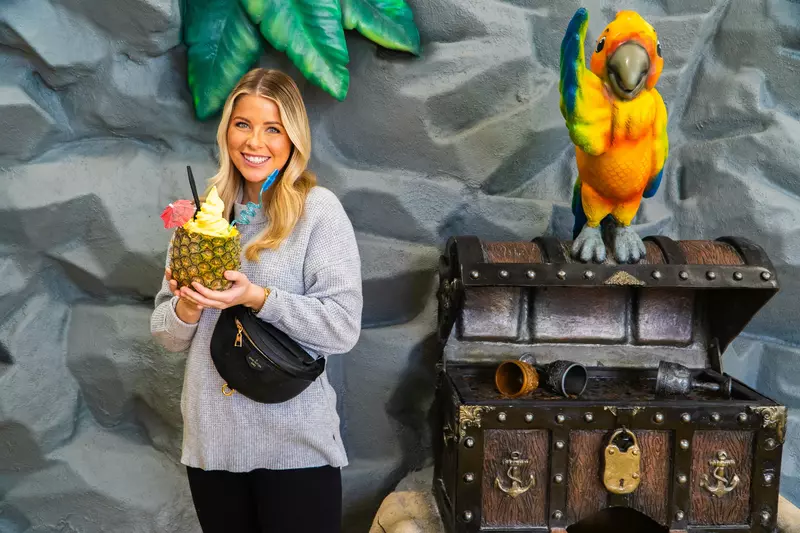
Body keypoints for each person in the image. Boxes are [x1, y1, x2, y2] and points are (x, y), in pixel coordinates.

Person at [150, 68, 363, 533]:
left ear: (293, 139)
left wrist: (257, 297)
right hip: (214, 444)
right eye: (243, 124)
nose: (255, 142)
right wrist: (187, 307)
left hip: (295, 444)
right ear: (227, 130)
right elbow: (166, 335)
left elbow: (343, 327)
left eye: (273, 128)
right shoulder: (200, 216)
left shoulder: (317, 211)